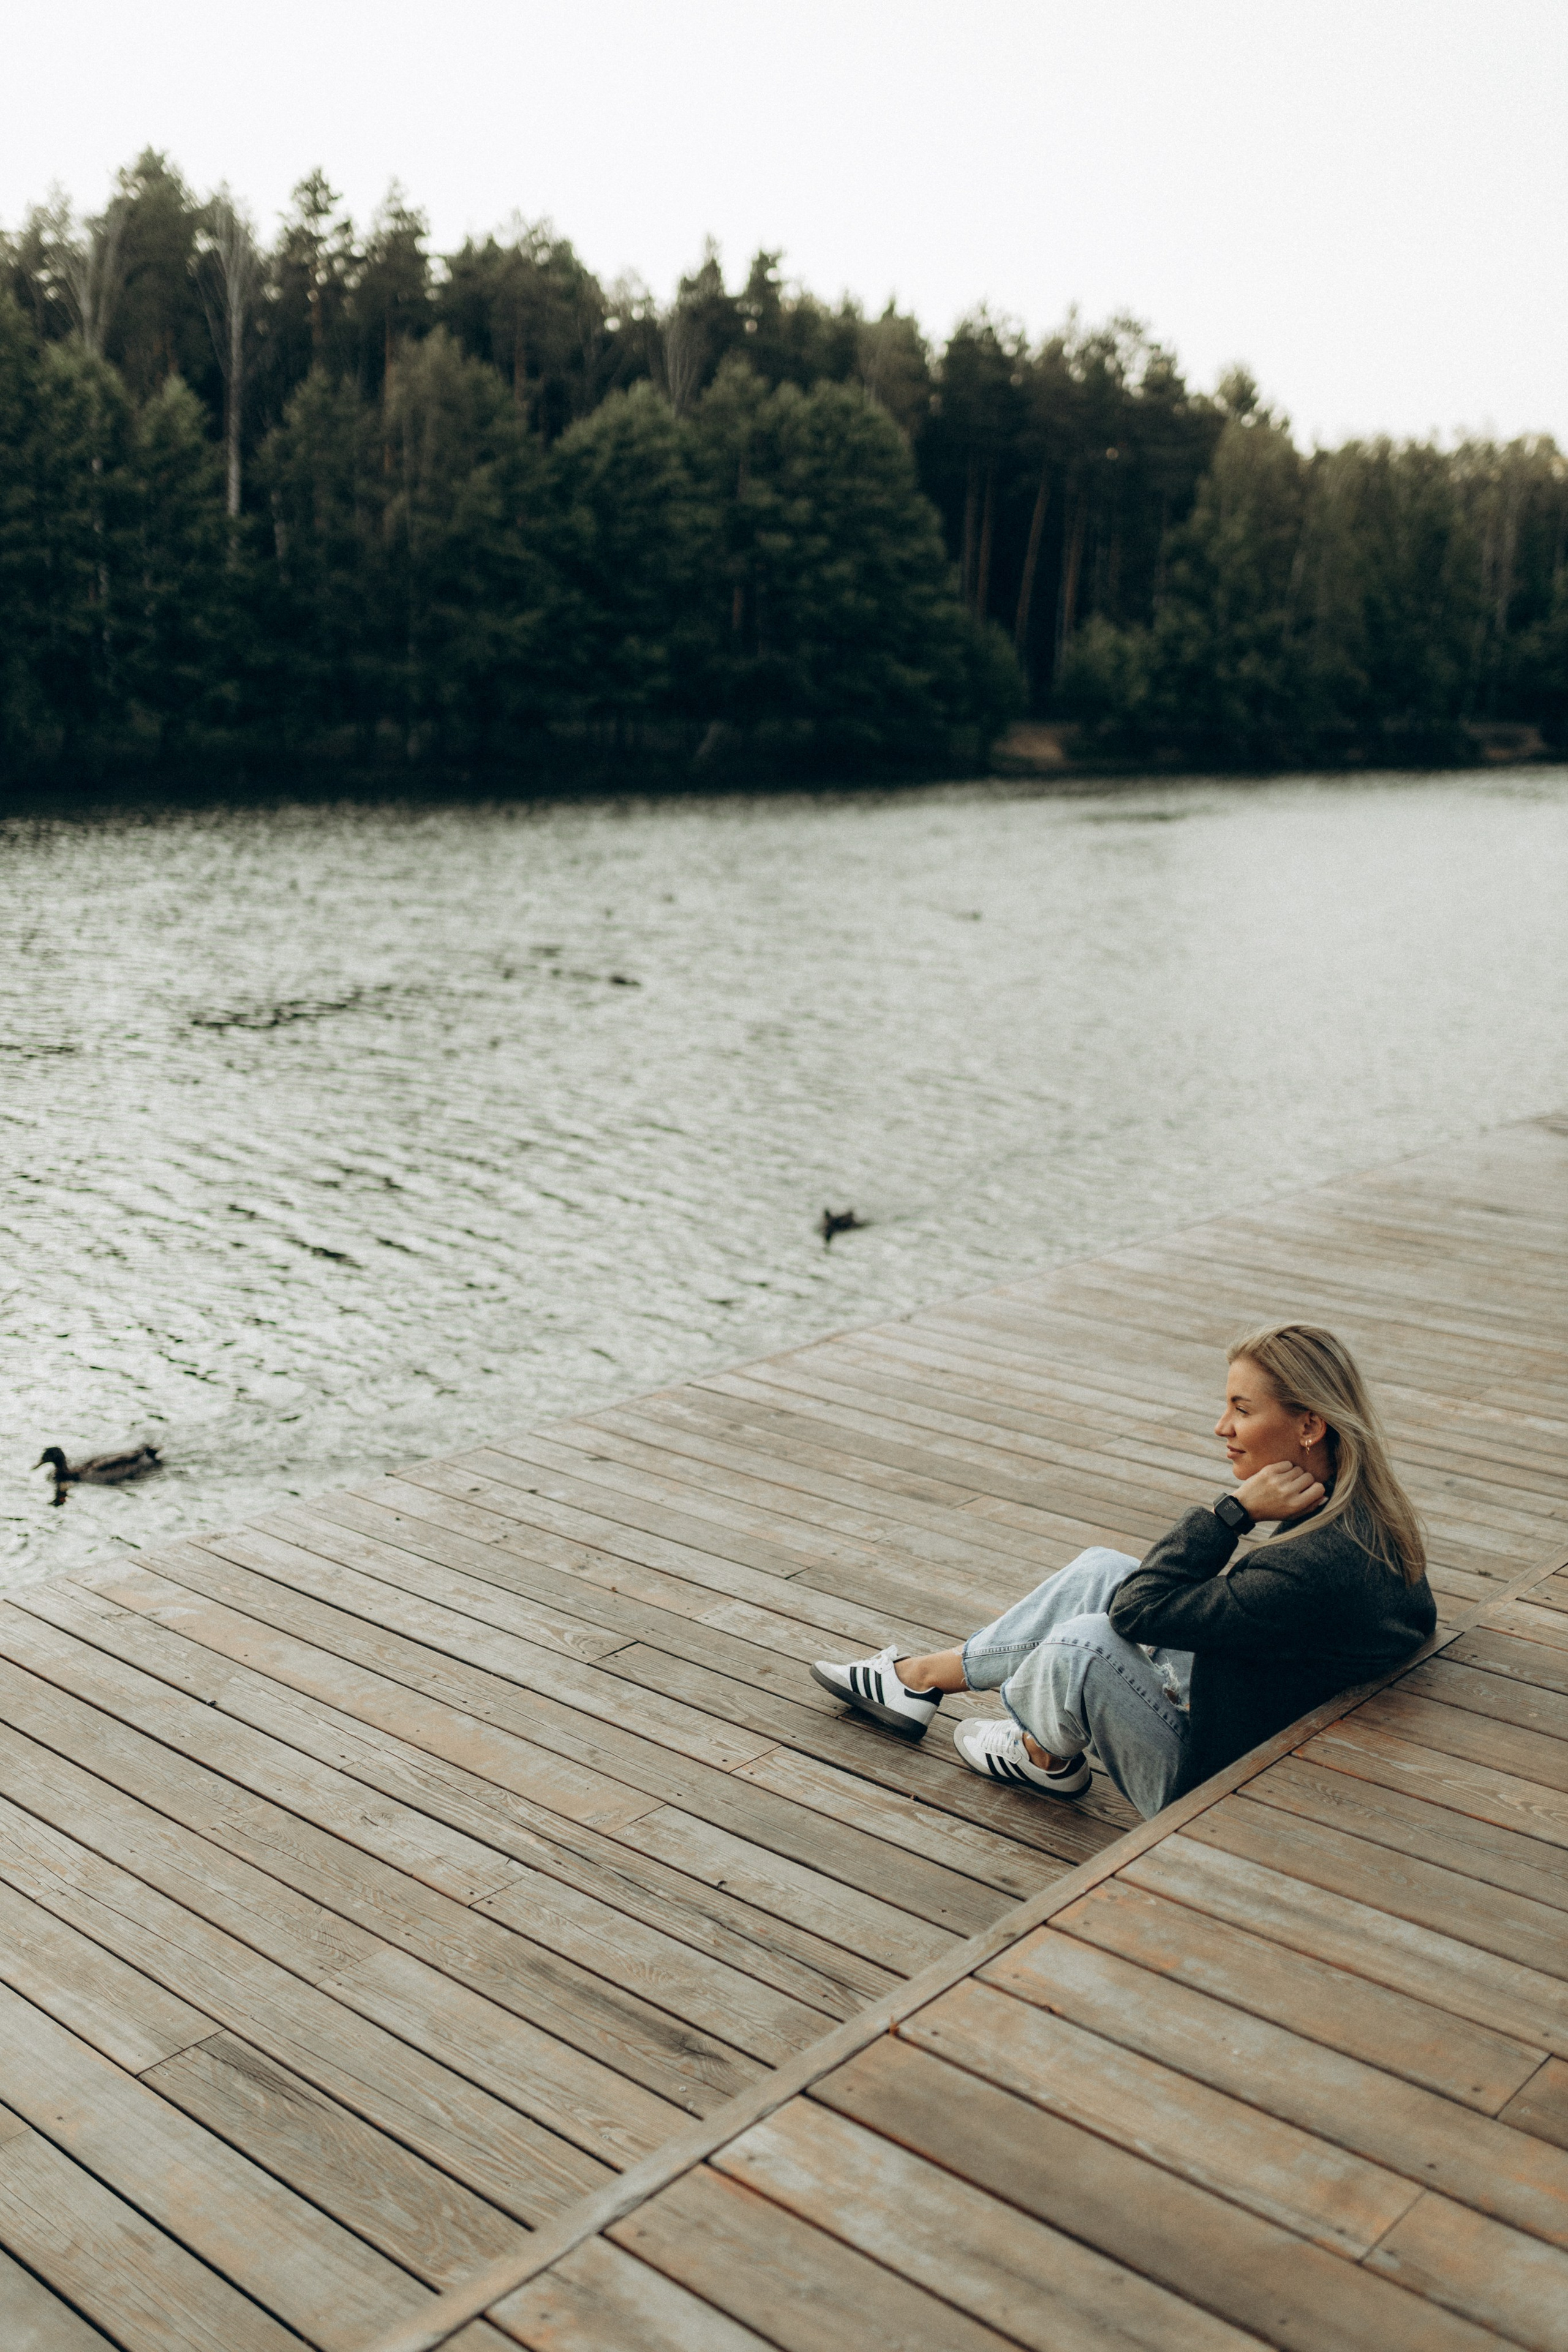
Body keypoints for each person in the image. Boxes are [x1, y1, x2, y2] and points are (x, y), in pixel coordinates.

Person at [810, 1323, 1435, 1819]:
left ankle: (1041, 1754)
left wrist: (1231, 1513)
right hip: (1259, 1710)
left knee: (1086, 1641)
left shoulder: (1306, 1568)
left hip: (1216, 1789)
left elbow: (1138, 1612)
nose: (1222, 1428)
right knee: (1102, 1572)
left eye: (1241, 1409)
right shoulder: (1367, 1516)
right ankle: (918, 1680)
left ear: (1309, 1424)